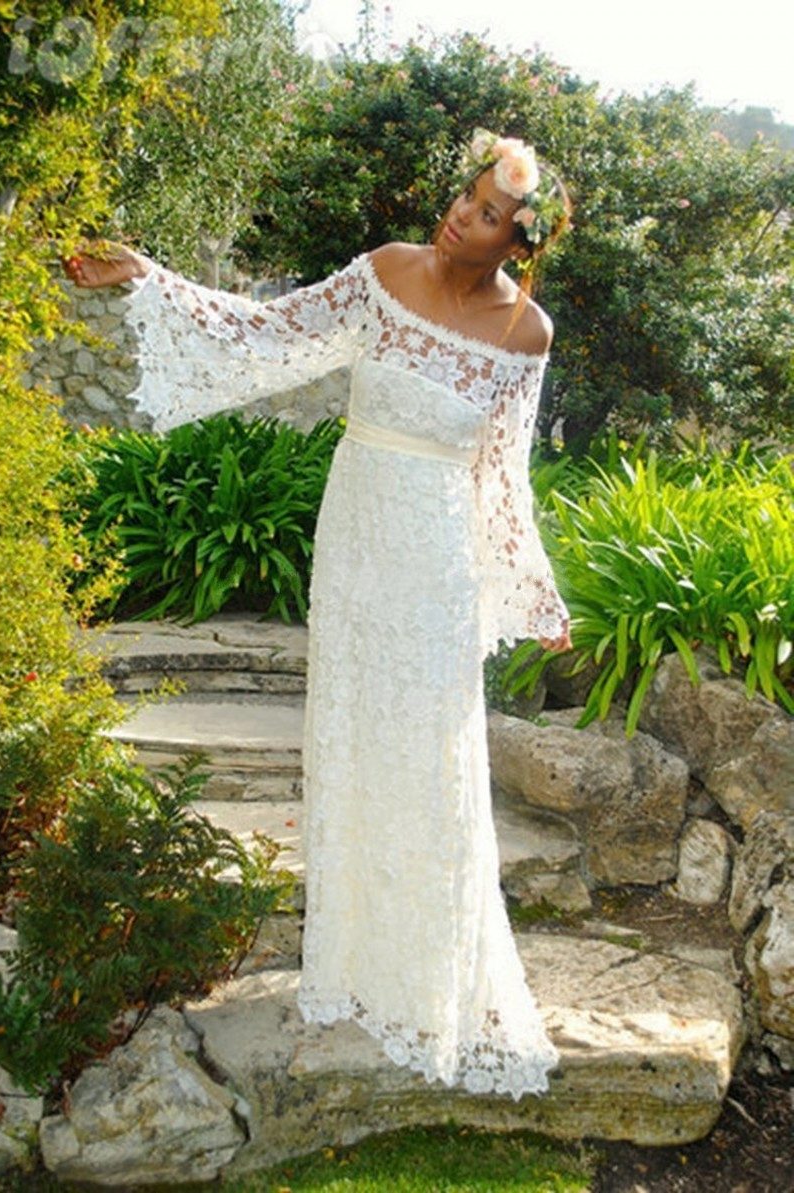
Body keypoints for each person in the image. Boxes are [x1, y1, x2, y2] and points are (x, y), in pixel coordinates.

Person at [62, 128, 573, 1100]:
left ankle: (430, 977)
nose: (458, 217)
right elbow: (268, 329)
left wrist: (530, 587)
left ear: (518, 240)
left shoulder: (525, 333)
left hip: (434, 556)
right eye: (464, 198)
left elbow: (501, 475)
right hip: (357, 538)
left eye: (485, 215)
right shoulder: (385, 271)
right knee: (351, 737)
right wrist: (150, 277)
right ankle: (353, 967)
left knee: (430, 751)